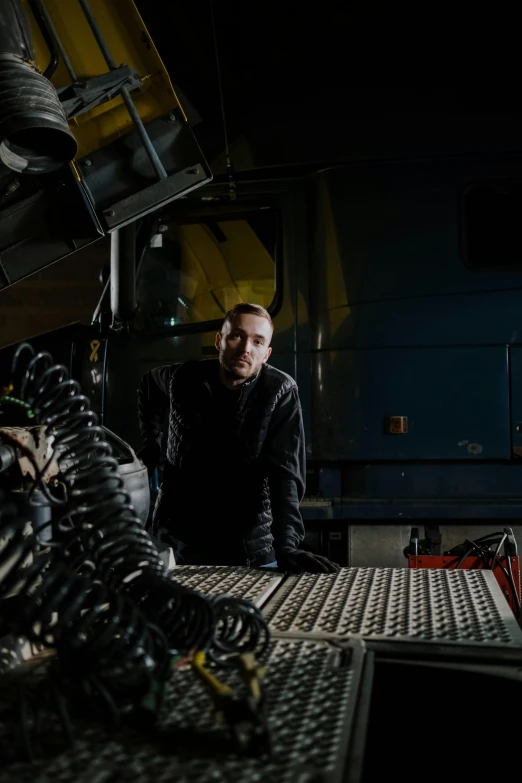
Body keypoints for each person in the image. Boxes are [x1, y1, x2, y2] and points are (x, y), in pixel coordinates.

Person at [137, 302, 339, 573]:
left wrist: (287, 547)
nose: (245, 348)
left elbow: (286, 475)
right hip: (178, 542)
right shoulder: (184, 378)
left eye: (257, 341)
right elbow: (148, 385)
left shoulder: (278, 391)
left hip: (247, 548)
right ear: (219, 341)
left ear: (266, 354)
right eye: (237, 336)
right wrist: (151, 444)